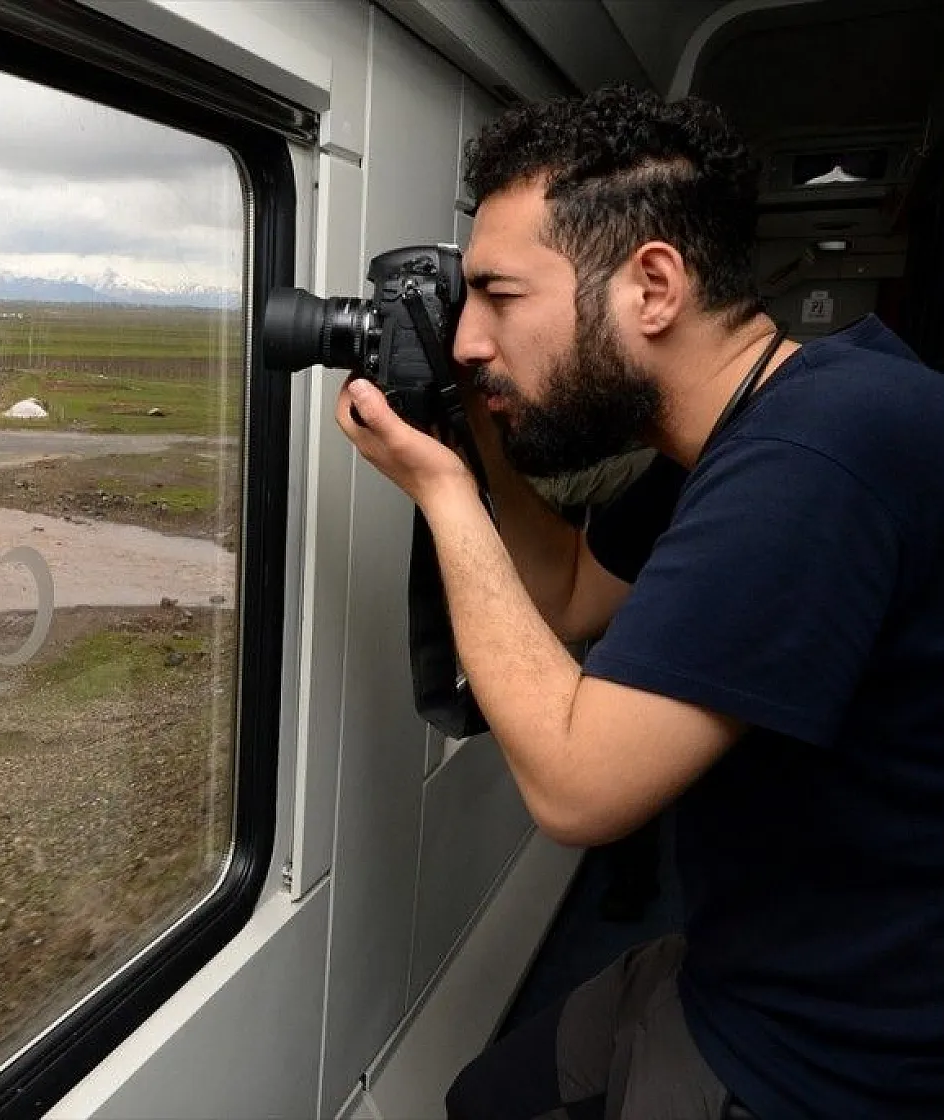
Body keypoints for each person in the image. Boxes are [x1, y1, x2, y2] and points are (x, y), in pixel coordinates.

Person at [334, 86, 944, 1118]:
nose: (471, 338)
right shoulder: (752, 427)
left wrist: (440, 495)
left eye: (500, 296)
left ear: (649, 285)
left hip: (822, 1050)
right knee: (484, 1099)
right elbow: (570, 597)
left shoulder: (816, 456)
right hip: (743, 952)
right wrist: (473, 436)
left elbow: (577, 791)